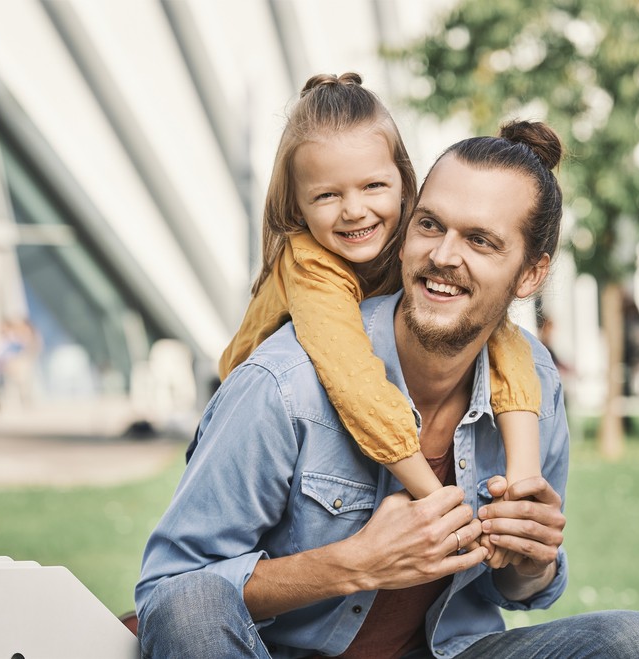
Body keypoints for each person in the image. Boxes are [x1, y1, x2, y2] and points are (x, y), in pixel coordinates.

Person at [134, 120, 639, 658]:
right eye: (430, 225)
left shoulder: (534, 382)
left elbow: (517, 591)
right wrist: (355, 563)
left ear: (529, 276)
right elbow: (172, 592)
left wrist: (531, 562)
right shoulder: (284, 383)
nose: (444, 255)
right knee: (190, 606)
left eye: (480, 240)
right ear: (403, 235)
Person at [218, 73, 542, 526]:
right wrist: (442, 504)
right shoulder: (311, 264)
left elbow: (499, 333)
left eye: (373, 187)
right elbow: (354, 383)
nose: (354, 210)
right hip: (255, 439)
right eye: (327, 195)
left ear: (403, 183)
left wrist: (525, 480)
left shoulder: (412, 240)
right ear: (297, 208)